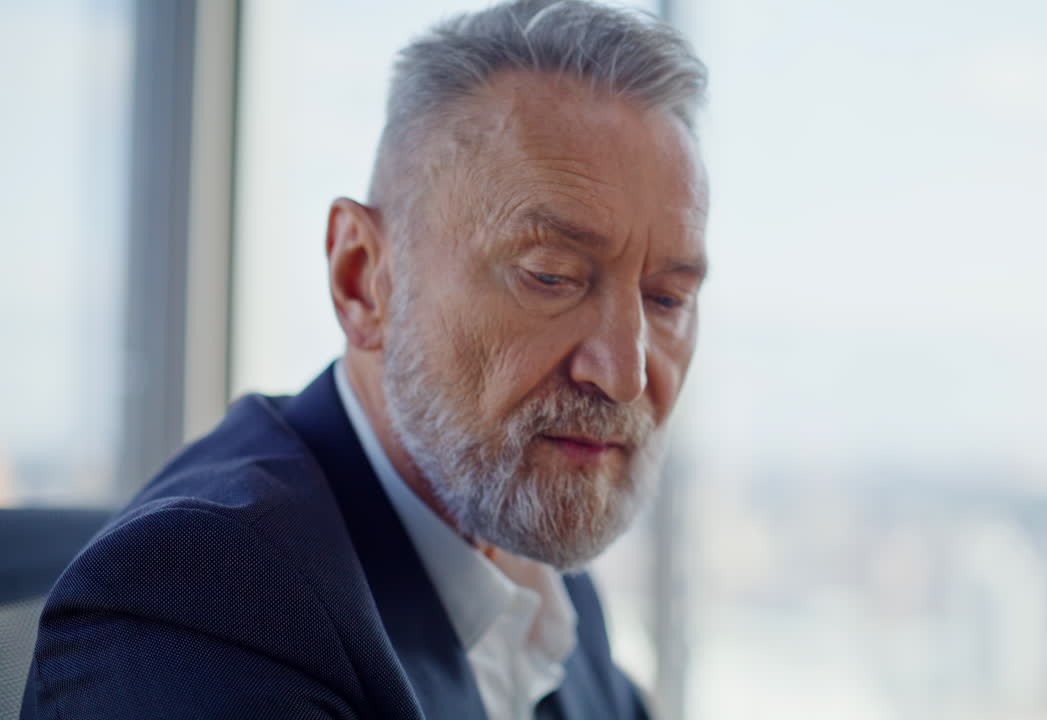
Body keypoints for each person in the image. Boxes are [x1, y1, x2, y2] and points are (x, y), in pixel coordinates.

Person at [22, 1, 708, 718]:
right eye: (551, 276)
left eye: (667, 299)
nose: (624, 374)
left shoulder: (545, 576)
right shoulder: (202, 602)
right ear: (363, 279)